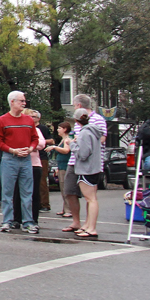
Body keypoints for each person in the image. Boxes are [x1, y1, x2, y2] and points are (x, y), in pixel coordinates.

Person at [0, 91, 39, 233]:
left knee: (27, 192)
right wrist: (12, 150)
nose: (24, 103)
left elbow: (35, 138)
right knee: (7, 192)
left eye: (24, 101)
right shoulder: (2, 120)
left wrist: (30, 149)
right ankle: (7, 221)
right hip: (9, 158)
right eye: (21, 101)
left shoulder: (29, 120)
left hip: (25, 159)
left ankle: (28, 222)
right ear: (12, 102)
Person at [61, 94, 106, 233]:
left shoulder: (97, 121)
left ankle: (90, 225)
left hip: (88, 164)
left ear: (78, 106)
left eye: (74, 105)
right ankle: (78, 223)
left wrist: (74, 145)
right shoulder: (85, 127)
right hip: (77, 161)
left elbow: (97, 141)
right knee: (70, 191)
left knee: (89, 197)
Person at [70, 108, 101, 238]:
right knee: (91, 199)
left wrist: (72, 144)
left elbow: (83, 154)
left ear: (77, 121)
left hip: (86, 169)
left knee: (91, 199)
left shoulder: (84, 133)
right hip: (95, 168)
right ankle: (88, 225)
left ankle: (91, 228)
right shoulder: (94, 131)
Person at [45, 121, 73, 218]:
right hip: (61, 166)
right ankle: (65, 208)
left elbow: (66, 150)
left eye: (59, 128)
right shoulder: (62, 140)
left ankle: (69, 210)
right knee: (62, 188)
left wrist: (54, 147)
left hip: (66, 166)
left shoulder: (67, 140)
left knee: (66, 188)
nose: (57, 130)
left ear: (65, 129)